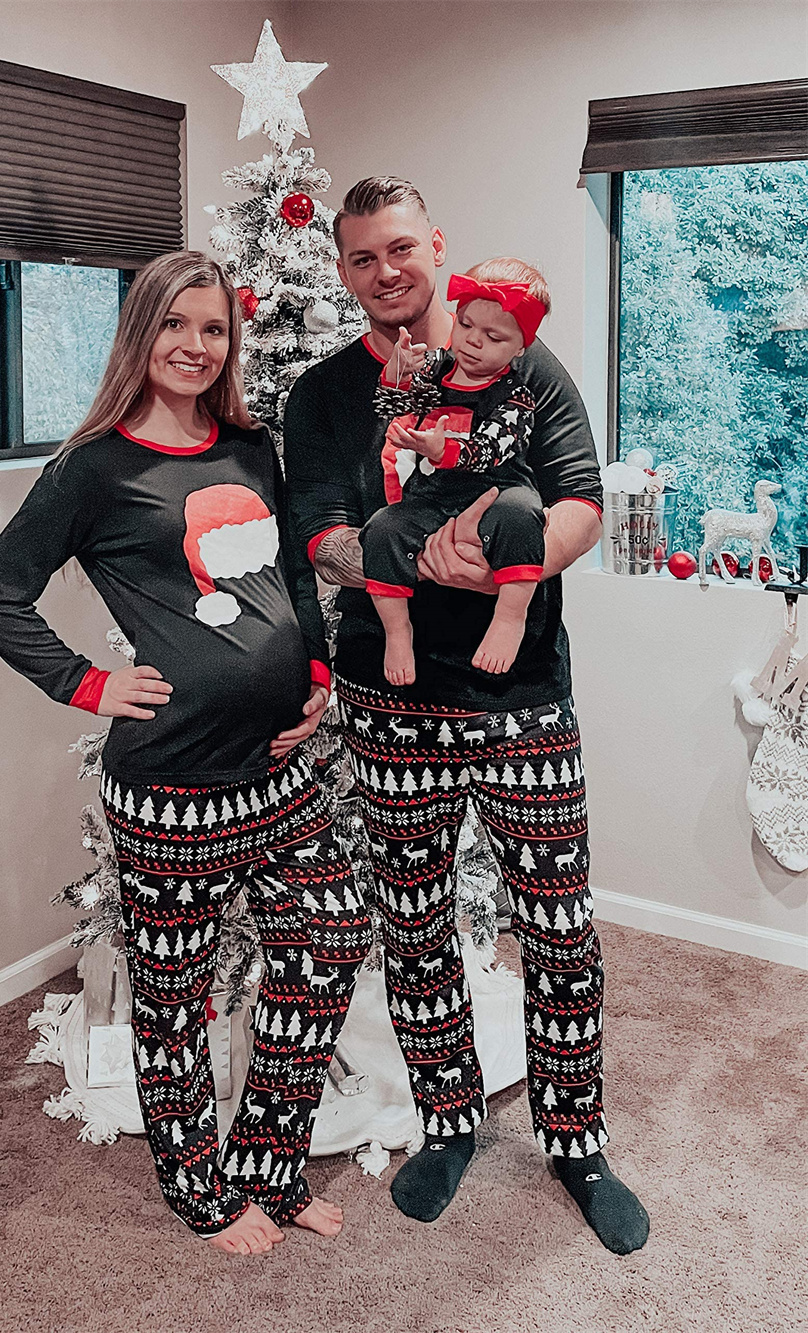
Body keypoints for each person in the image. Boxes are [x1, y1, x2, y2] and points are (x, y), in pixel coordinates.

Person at [0, 251, 370, 1257]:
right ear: (140, 331)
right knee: (174, 994)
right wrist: (88, 683)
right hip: (175, 787)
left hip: (281, 772)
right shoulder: (93, 466)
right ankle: (198, 1188)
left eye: (213, 329)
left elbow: (286, 572)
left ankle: (269, 1167)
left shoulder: (249, 446)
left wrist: (315, 679)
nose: (195, 346)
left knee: (326, 949)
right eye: (174, 325)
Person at [284, 179, 649, 1255]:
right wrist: (388, 554)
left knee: (558, 926)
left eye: (399, 247)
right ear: (343, 271)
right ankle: (446, 1122)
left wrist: (498, 560)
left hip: (521, 697)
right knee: (414, 922)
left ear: (434, 246)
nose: (384, 271)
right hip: (388, 702)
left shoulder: (519, 357)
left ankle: (576, 1139)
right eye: (360, 258)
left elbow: (578, 496)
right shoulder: (321, 395)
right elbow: (318, 528)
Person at [361, 257, 551, 685]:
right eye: (465, 325)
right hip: (434, 493)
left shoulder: (516, 396)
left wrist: (444, 447)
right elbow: (387, 410)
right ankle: (397, 629)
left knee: (523, 516)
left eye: (494, 336)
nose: (473, 342)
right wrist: (395, 377)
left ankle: (509, 615)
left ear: (521, 347)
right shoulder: (435, 368)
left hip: (497, 491)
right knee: (382, 531)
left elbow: (488, 449)